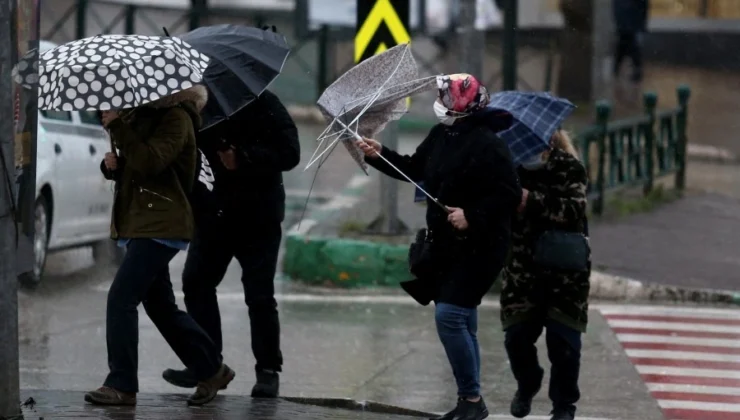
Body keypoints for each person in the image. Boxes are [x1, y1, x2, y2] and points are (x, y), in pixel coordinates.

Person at [357, 74, 521, 420]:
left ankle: (471, 400)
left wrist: (472, 216)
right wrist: (379, 153)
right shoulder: (441, 135)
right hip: (448, 245)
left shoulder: (489, 145)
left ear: (462, 105)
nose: (441, 101)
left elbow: (508, 195)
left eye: (447, 97)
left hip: (483, 246)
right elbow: (415, 169)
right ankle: (473, 402)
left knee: (450, 315)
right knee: (464, 320)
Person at [85, 85, 234, 407]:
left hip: (161, 221)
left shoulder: (177, 118)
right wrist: (113, 167)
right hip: (142, 220)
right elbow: (139, 168)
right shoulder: (146, 116)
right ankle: (212, 368)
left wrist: (118, 127)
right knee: (160, 306)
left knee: (121, 299)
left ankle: (122, 384)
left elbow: (152, 162)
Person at [162, 90, 300, 398]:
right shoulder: (198, 109)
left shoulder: (264, 103)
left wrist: (244, 156)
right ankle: (208, 364)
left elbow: (290, 152)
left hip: (258, 217)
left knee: (260, 295)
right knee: (196, 283)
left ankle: (267, 369)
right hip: (214, 215)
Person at [500, 130, 590, 420]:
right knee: (516, 337)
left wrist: (532, 200)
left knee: (564, 345)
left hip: (565, 272)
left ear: (548, 142)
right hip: (522, 271)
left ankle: (564, 405)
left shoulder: (570, 168)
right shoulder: (508, 168)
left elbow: (574, 210)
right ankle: (527, 383)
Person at [613, 0, 649, 82]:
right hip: (627, 27)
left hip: (630, 27)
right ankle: (633, 73)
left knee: (630, 50)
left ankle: (634, 73)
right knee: (628, 50)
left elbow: (643, 8)